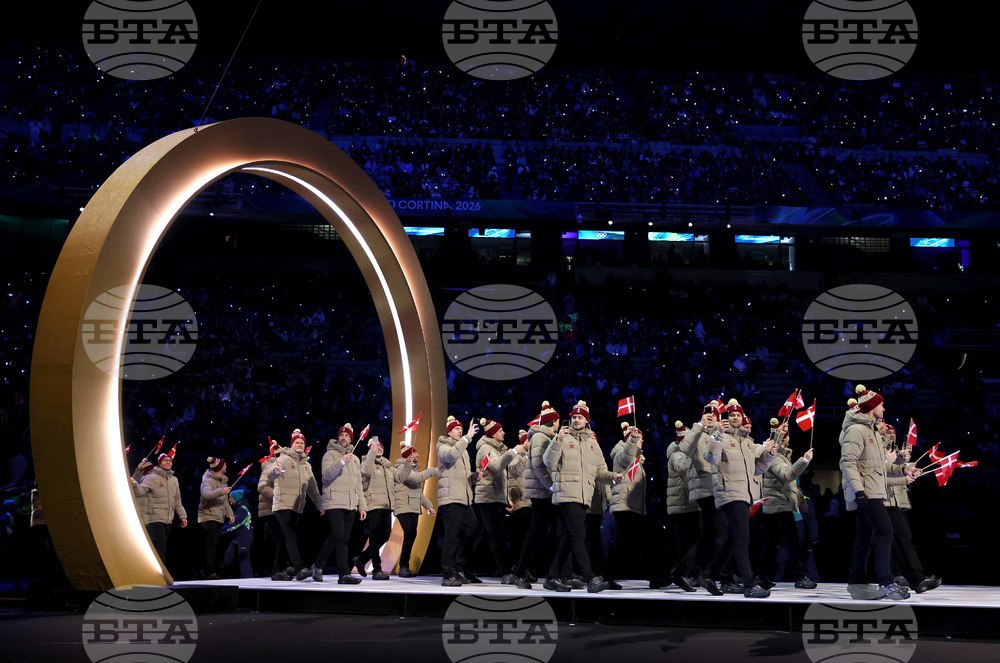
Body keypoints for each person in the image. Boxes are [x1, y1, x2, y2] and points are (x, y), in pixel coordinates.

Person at [840, 385, 917, 600]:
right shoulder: (856, 430)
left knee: (865, 538)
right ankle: (886, 583)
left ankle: (857, 584)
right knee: (885, 532)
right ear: (872, 406)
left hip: (872, 491)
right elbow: (847, 462)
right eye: (881, 405)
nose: (884, 409)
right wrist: (859, 491)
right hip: (866, 492)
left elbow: (880, 467)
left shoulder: (871, 430)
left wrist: (903, 469)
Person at [542, 401, 621, 593]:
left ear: (587, 421)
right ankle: (590, 577)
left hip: (584, 495)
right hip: (568, 493)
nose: (576, 420)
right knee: (578, 535)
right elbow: (548, 461)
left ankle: (552, 577)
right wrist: (558, 440)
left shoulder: (592, 443)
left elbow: (600, 471)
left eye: (580, 417)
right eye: (574, 417)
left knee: (570, 536)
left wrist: (612, 477)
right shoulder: (563, 438)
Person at [703, 399, 776, 599]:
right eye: (731, 415)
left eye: (738, 415)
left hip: (745, 494)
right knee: (743, 539)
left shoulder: (748, 442)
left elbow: (757, 470)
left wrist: (769, 456)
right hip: (729, 492)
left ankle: (708, 574)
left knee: (734, 538)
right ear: (726, 418)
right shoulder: (719, 437)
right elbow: (710, 458)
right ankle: (749, 584)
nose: (735, 417)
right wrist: (717, 434)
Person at [757, 418, 816, 590]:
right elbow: (787, 476)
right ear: (784, 439)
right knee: (792, 540)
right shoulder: (775, 457)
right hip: (777, 505)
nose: (789, 439)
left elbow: (790, 484)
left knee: (772, 542)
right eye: (787, 437)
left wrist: (799, 500)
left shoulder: (782, 456)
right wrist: (804, 460)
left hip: (780, 504)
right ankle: (799, 575)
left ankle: (761, 575)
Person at [513, 402, 567, 589]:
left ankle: (553, 573)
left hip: (544, 492)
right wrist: (552, 487)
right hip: (542, 493)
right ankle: (521, 572)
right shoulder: (539, 437)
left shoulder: (546, 436)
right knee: (540, 533)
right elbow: (538, 466)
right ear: (555, 421)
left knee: (548, 533)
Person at [883, 423, 942, 593]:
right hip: (878, 499)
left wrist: (905, 465)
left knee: (900, 537)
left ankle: (915, 578)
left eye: (893, 432)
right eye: (887, 431)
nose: (891, 434)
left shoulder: (893, 450)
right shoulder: (876, 448)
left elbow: (894, 471)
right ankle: (888, 578)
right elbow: (880, 473)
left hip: (894, 500)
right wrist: (903, 467)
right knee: (872, 543)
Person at [473, 417, 530, 588]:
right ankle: (506, 571)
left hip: (495, 497)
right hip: (487, 498)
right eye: (500, 431)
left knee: (487, 534)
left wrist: (506, 498)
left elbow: (501, 476)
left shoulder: (496, 448)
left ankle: (464, 566)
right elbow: (497, 467)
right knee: (495, 535)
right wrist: (514, 452)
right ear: (492, 434)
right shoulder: (485, 449)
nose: (503, 433)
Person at [681, 400, 726, 596]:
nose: (711, 417)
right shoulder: (697, 432)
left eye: (714, 415)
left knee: (709, 533)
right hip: (704, 488)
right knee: (721, 531)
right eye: (708, 414)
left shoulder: (720, 435)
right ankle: (704, 571)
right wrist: (699, 424)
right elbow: (684, 447)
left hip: (718, 489)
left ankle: (691, 570)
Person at [314, 423, 367, 583]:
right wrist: (342, 462)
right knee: (337, 534)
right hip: (334, 501)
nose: (344, 438)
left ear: (351, 439)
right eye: (341, 435)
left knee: (344, 539)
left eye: (347, 436)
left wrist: (362, 506)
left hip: (350, 503)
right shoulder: (329, 455)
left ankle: (344, 574)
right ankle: (318, 564)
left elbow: (358, 484)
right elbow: (326, 476)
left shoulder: (355, 459)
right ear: (338, 438)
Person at [270, 429, 324, 581]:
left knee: (284, 537)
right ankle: (299, 568)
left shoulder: (306, 465)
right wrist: (275, 472)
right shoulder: (283, 458)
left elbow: (313, 487)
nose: (299, 445)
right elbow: (270, 473)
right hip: (282, 504)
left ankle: (276, 570)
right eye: (297, 442)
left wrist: (320, 504)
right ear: (292, 444)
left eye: (302, 443)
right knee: (290, 536)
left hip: (297, 506)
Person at [437, 416, 482, 587]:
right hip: (450, 498)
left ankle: (458, 565)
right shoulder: (442, 445)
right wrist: (467, 437)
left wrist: (473, 477)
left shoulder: (462, 449)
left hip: (464, 498)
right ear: (449, 431)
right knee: (451, 536)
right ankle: (447, 574)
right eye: (457, 429)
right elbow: (449, 457)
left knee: (473, 528)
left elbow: (460, 476)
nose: (460, 431)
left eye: (461, 429)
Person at [354, 436, 407, 579]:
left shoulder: (387, 466)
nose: (380, 449)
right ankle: (377, 569)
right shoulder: (366, 462)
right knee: (375, 538)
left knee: (383, 537)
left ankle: (361, 560)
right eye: (376, 446)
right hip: (373, 505)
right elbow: (366, 472)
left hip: (386, 506)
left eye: (381, 446)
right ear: (371, 448)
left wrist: (408, 463)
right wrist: (371, 452)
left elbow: (401, 477)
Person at [609, 423, 652, 589]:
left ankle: (654, 575)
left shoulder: (638, 458)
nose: (641, 442)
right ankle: (607, 577)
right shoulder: (622, 452)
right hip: (623, 505)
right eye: (639, 439)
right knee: (620, 542)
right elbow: (626, 456)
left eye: (641, 439)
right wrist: (632, 440)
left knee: (642, 541)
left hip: (634, 506)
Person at [132, 453, 187, 565]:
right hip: (154, 518)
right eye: (165, 460)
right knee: (159, 547)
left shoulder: (174, 480)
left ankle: (157, 572)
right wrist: (134, 484)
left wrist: (183, 515)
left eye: (170, 460)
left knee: (162, 547)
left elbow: (177, 500)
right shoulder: (150, 478)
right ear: (159, 463)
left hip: (168, 519)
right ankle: (160, 574)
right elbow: (140, 492)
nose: (168, 462)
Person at [392, 440, 438, 577]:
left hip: (412, 506)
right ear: (409, 456)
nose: (417, 455)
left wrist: (429, 505)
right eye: (415, 453)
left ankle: (404, 566)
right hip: (403, 505)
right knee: (410, 532)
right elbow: (415, 479)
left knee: (411, 535)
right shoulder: (401, 468)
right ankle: (403, 567)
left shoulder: (412, 468)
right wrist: (434, 470)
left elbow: (417, 491)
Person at [666, 421, 700, 592]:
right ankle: (680, 573)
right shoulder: (677, 454)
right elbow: (682, 468)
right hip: (682, 505)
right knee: (687, 541)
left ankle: (685, 572)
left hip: (688, 504)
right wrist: (692, 455)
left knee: (690, 540)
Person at [198, 456, 235, 580]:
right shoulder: (208, 480)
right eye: (224, 465)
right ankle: (208, 571)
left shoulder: (223, 481)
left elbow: (225, 502)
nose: (226, 467)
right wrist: (221, 491)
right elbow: (206, 495)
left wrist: (230, 514)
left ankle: (206, 569)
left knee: (215, 544)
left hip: (218, 516)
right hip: (208, 516)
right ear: (219, 468)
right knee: (212, 544)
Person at [256, 440, 288, 579]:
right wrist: (278, 496)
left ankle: (265, 568)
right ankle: (277, 568)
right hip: (270, 509)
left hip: (275, 508)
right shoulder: (269, 467)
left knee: (270, 540)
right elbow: (262, 488)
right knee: (280, 538)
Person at [505, 430, 533, 583]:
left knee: (527, 539)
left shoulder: (531, 457)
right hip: (518, 503)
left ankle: (525, 568)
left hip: (529, 503)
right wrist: (525, 457)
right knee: (520, 540)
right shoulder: (517, 456)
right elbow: (513, 470)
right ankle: (518, 569)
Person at [221, 489, 253, 578]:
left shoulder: (243, 509)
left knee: (243, 559)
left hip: (244, 537)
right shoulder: (237, 508)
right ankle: (222, 576)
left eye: (231, 498)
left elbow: (237, 523)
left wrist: (222, 530)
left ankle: (248, 580)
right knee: (228, 558)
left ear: (236, 499)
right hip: (237, 537)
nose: (230, 500)